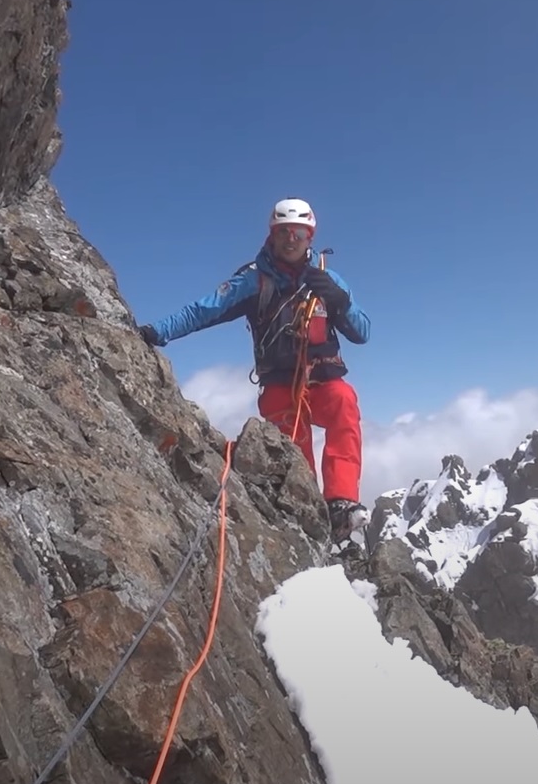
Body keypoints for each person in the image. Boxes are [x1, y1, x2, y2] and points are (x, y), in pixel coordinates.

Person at [137, 198, 373, 551]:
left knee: (343, 400)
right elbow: (204, 309)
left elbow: (362, 331)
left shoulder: (328, 280)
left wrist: (340, 302)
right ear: (272, 234)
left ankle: (340, 502)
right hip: (280, 385)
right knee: (294, 445)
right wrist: (158, 331)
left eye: (297, 232)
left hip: (322, 380)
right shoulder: (253, 279)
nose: (290, 239)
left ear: (310, 236)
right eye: (282, 232)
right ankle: (308, 515)